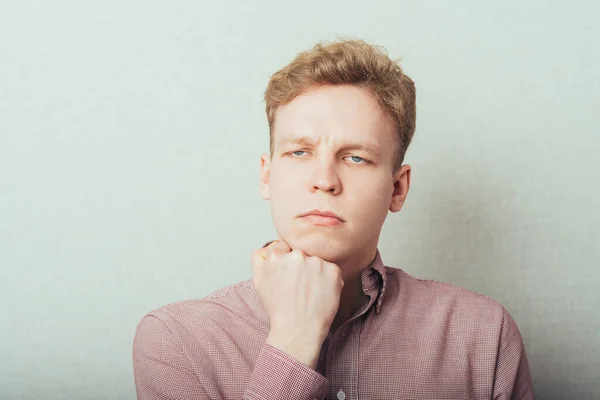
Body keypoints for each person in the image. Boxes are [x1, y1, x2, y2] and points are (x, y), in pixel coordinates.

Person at [132, 39, 534, 400]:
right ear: (267, 175)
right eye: (299, 153)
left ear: (398, 188)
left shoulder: (485, 336)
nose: (324, 181)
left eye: (356, 157)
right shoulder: (175, 340)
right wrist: (293, 341)